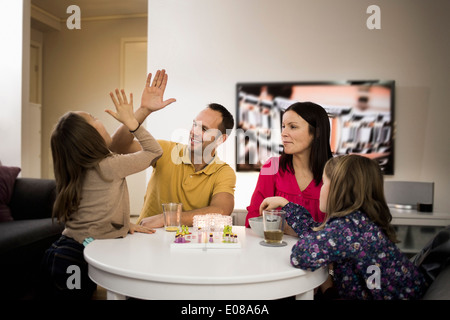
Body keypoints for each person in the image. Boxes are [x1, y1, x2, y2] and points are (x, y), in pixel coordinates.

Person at [40, 88, 161, 299]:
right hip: (74, 258)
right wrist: (133, 123)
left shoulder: (76, 168)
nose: (99, 119)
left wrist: (123, 224)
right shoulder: (110, 166)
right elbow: (154, 152)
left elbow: (96, 210)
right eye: (94, 118)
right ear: (90, 136)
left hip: (65, 250)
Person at [260, 155, 428, 299]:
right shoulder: (359, 222)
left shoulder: (347, 228)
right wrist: (286, 204)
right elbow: (320, 234)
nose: (320, 190)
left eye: (324, 183)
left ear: (338, 189)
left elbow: (301, 256)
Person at [109, 70, 236, 229]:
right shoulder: (165, 150)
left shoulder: (223, 172)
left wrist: (168, 218)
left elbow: (221, 211)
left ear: (221, 139)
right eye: (194, 125)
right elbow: (117, 147)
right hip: (144, 239)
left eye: (203, 129)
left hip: (186, 245)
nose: (194, 132)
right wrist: (144, 110)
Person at [245, 102, 332, 229]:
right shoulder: (272, 166)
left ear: (317, 132)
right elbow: (253, 218)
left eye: (293, 127)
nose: (283, 133)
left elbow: (340, 230)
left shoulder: (336, 173)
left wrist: (282, 226)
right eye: (283, 126)